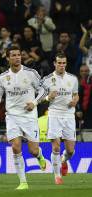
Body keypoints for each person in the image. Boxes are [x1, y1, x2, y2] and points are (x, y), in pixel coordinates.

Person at [0, 46, 46, 190]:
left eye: (19, 55)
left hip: (29, 116)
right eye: (14, 55)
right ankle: (23, 182)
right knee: (15, 147)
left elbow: (43, 90)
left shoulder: (31, 73)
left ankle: (39, 155)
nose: (17, 57)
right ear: (7, 58)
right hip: (12, 116)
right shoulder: (3, 77)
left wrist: (34, 103)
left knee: (33, 151)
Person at [40, 52, 79, 185]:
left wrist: (74, 101)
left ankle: (63, 161)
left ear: (66, 63)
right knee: (55, 146)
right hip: (54, 114)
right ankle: (57, 176)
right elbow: (38, 98)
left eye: (64, 63)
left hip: (69, 115)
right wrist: (47, 98)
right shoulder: (47, 79)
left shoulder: (73, 79)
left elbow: (76, 95)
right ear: (54, 64)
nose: (62, 65)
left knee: (70, 150)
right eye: (59, 63)